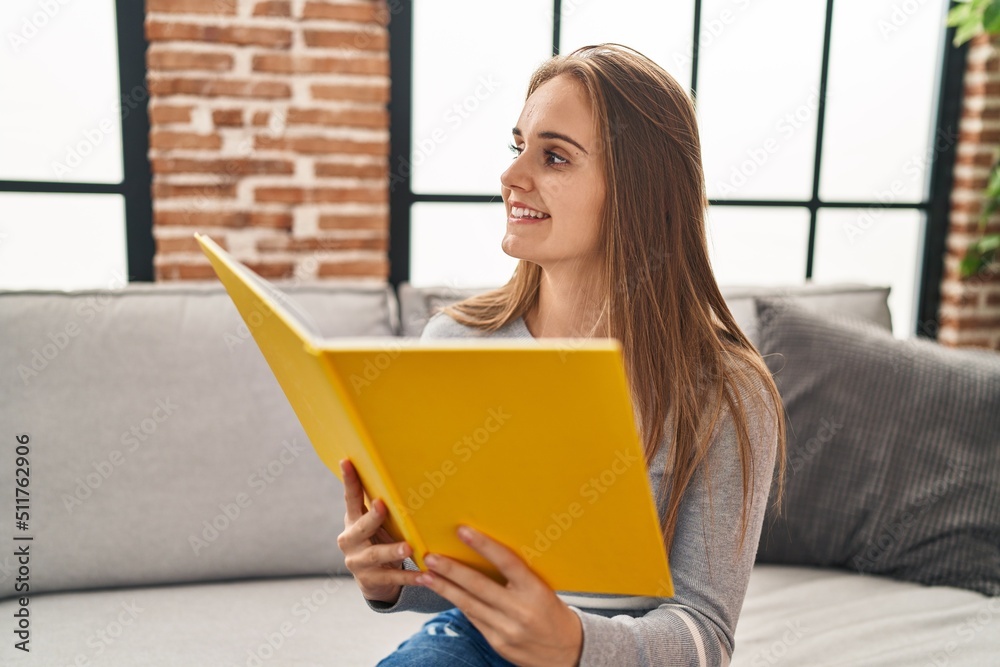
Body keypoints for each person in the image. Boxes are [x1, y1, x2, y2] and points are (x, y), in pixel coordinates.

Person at [336, 43, 787, 667]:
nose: (512, 177)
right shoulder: (457, 344)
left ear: (638, 189)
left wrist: (575, 644)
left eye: (553, 156)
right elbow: (456, 573)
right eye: (517, 146)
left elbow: (705, 636)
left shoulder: (726, 390)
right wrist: (389, 579)